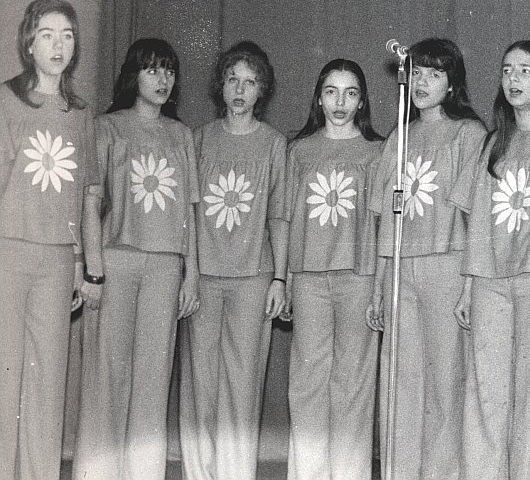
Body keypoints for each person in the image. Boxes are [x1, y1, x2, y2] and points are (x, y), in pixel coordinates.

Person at [72, 38, 200, 479]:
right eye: (153, 70)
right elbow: (90, 203)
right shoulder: (106, 127)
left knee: (153, 376)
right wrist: (93, 270)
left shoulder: (182, 135)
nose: (163, 80)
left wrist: (191, 274)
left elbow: (189, 213)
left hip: (165, 267)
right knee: (107, 375)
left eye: (169, 71)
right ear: (134, 75)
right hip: (116, 261)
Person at [367, 37, 486, 479]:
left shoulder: (469, 134)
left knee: (444, 382)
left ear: (452, 83)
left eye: (435, 74)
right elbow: (383, 216)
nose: (422, 82)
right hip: (400, 267)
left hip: (447, 264)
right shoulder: (399, 136)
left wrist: (470, 285)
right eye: (417, 73)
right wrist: (378, 287)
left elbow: (476, 219)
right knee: (400, 381)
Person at [450, 40, 530, 479]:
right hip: (490, 281)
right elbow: (474, 218)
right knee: (486, 392)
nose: (513, 79)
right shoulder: (491, 143)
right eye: (506, 70)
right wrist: (468, 286)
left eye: (525, 70)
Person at [0, 0, 102, 479]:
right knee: (5, 376)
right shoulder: (6, 100)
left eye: (67, 36)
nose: (58, 45)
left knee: (47, 381)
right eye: (47, 35)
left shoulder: (80, 112)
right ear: (29, 43)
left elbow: (85, 197)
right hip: (9, 252)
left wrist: (82, 263)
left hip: (59, 262)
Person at [178, 40, 287, 480]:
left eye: (250, 82)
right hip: (203, 277)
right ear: (220, 87)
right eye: (232, 80)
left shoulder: (274, 144)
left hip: (253, 277)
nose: (240, 90)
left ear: (262, 91)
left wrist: (280, 279)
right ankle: (199, 473)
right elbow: (187, 214)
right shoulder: (198, 139)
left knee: (243, 385)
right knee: (200, 382)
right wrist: (188, 272)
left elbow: (279, 215)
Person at [285, 58, 383, 480]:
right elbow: (287, 219)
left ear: (362, 101)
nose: (340, 102)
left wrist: (380, 286)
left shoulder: (378, 151)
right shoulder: (299, 151)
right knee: (307, 380)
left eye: (350, 93)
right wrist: (285, 280)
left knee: (353, 383)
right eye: (331, 92)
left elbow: (383, 224)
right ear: (319, 99)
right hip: (308, 277)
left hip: (359, 276)